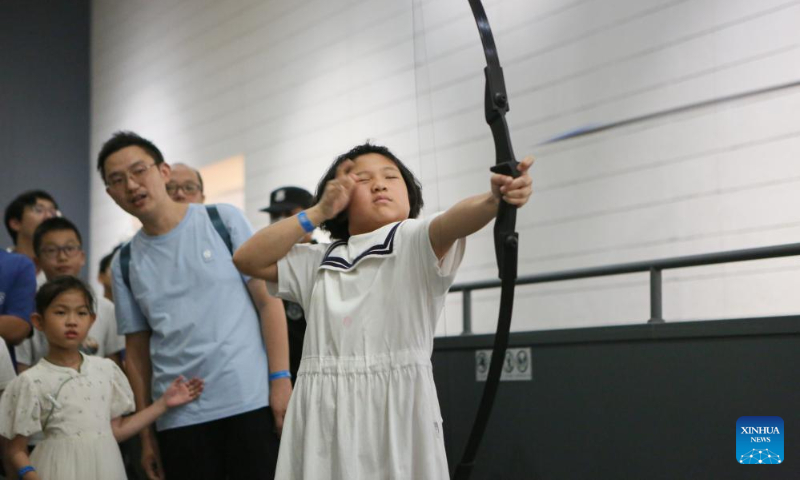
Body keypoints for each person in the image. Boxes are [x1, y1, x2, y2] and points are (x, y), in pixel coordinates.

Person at [234, 143, 534, 479]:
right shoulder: (318, 261)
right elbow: (247, 258)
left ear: (409, 194)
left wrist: (494, 200)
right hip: (323, 411)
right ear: (340, 202)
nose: (379, 184)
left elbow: (455, 220)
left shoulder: (416, 240)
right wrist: (317, 212)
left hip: (398, 410)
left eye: (391, 176)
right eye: (362, 180)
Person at [97, 131, 291, 479]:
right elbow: (137, 352)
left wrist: (281, 380)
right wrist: (146, 436)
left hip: (249, 402)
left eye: (139, 171)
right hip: (179, 416)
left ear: (164, 172)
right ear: (111, 194)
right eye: (117, 180)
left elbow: (268, 303)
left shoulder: (223, 221)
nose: (131, 185)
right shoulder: (125, 262)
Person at [0, 276, 203, 480]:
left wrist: (162, 404)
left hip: (107, 467)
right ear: (38, 322)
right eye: (60, 312)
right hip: (57, 470)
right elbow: (16, 449)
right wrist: (31, 476)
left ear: (92, 320)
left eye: (81, 313)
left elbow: (116, 429)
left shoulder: (106, 370)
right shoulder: (30, 381)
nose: (72, 321)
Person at [16, 217, 125, 373]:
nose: (62, 257)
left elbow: (114, 366)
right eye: (52, 250)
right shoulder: (28, 309)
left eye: (70, 248)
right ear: (37, 262)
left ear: (82, 257)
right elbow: (23, 369)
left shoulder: (106, 308)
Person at [260, 186, 315, 382]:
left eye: (289, 213)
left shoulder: (327, 259)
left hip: (318, 374)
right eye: (275, 215)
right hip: (279, 377)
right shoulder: (262, 265)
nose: (280, 220)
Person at [4, 190, 60, 285]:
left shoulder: (60, 270)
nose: (49, 216)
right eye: (39, 210)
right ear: (15, 223)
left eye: (53, 212)